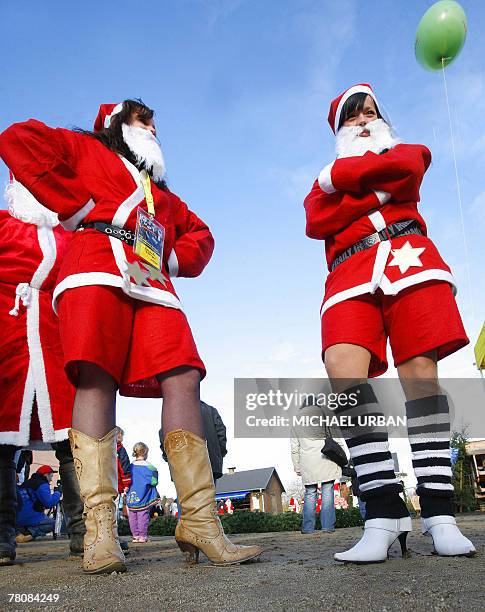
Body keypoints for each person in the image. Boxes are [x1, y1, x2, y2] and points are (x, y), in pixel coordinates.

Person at [0, 100, 262, 573]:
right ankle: (100, 533)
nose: (154, 128)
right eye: (143, 121)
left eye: (154, 122)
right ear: (114, 126)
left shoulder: (162, 194)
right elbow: (18, 138)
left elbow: (201, 234)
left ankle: (201, 521)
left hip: (149, 272)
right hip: (93, 259)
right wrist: (76, 206)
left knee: (184, 373)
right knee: (95, 378)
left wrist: (172, 259)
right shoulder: (84, 149)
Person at [304, 83, 475, 562]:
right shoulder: (322, 182)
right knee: (344, 373)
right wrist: (375, 187)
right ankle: (383, 512)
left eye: (369, 113)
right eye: (351, 117)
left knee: (421, 377)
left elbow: (411, 166)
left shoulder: (404, 151)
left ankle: (439, 513)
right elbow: (316, 219)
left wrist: (346, 186)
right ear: (339, 132)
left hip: (410, 256)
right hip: (348, 271)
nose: (361, 120)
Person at [0, 184, 84, 566]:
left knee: (73, 437)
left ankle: (86, 533)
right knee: (1, 442)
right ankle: (2, 538)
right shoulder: (2, 226)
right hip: (7, 336)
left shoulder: (73, 233)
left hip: (58, 338)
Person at [291, 406, 342, 534]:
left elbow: (294, 447)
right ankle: (328, 527)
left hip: (308, 463)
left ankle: (308, 528)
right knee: (327, 491)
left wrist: (297, 466)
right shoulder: (326, 417)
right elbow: (337, 439)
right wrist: (342, 458)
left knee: (310, 493)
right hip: (326, 460)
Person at [16, 465, 61, 541]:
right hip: (31, 516)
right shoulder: (42, 485)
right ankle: (30, 533)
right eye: (51, 476)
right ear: (46, 475)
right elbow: (49, 503)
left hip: (18, 518)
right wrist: (58, 493)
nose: (51, 479)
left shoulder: (27, 483)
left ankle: (21, 531)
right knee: (53, 524)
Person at [126, 442, 160, 543]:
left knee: (132, 515)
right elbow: (154, 482)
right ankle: (142, 536)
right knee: (143, 515)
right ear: (145, 453)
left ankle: (135, 536)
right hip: (144, 496)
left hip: (131, 496)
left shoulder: (130, 466)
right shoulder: (149, 467)